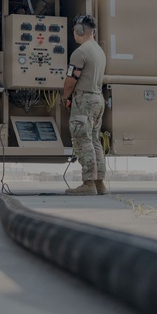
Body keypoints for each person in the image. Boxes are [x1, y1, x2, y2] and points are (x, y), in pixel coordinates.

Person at [62, 14, 107, 195]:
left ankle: (88, 183)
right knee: (95, 141)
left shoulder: (80, 52)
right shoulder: (99, 51)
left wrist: (65, 97)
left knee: (82, 140)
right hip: (98, 99)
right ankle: (99, 183)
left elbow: (71, 80)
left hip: (84, 100)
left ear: (80, 30)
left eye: (74, 30)